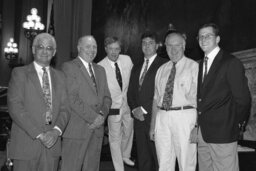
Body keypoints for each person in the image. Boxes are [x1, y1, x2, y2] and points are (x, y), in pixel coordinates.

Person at [7, 33, 70, 171]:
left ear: (54, 52)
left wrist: (56, 131)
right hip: (26, 144)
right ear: (33, 50)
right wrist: (39, 134)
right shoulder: (19, 73)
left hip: (52, 145)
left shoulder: (61, 77)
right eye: (40, 47)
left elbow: (66, 109)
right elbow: (15, 107)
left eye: (49, 48)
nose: (45, 51)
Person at [196, 23, 251, 171]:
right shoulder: (200, 64)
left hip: (223, 132)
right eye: (200, 36)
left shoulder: (231, 62)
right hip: (203, 133)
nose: (203, 39)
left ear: (218, 39)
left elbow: (243, 99)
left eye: (208, 36)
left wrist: (235, 125)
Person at [61, 35, 112, 171]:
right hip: (76, 130)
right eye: (88, 46)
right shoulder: (69, 67)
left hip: (97, 130)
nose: (92, 50)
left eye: (94, 47)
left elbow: (107, 97)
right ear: (79, 48)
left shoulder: (100, 70)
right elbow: (72, 98)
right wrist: (93, 117)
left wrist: (101, 115)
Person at [150, 31, 198, 171]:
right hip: (162, 118)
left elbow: (201, 100)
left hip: (185, 117)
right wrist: (153, 126)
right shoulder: (161, 70)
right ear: (165, 47)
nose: (173, 49)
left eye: (177, 45)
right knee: (163, 162)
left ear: (184, 45)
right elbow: (155, 99)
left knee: (186, 161)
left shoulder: (194, 67)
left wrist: (197, 126)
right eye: (169, 46)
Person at [127, 31, 168, 171]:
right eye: (144, 43)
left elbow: (162, 94)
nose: (147, 46)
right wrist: (134, 109)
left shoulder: (165, 65)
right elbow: (130, 93)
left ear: (157, 46)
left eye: (150, 43)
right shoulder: (136, 67)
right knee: (143, 160)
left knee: (159, 160)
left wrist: (143, 109)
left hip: (155, 120)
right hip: (138, 120)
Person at [98, 36, 134, 171]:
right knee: (114, 138)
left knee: (129, 130)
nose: (114, 52)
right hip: (113, 107)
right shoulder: (100, 66)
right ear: (106, 49)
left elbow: (132, 80)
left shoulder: (127, 59)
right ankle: (119, 168)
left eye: (117, 49)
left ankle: (125, 155)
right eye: (111, 49)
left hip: (127, 104)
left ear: (120, 49)